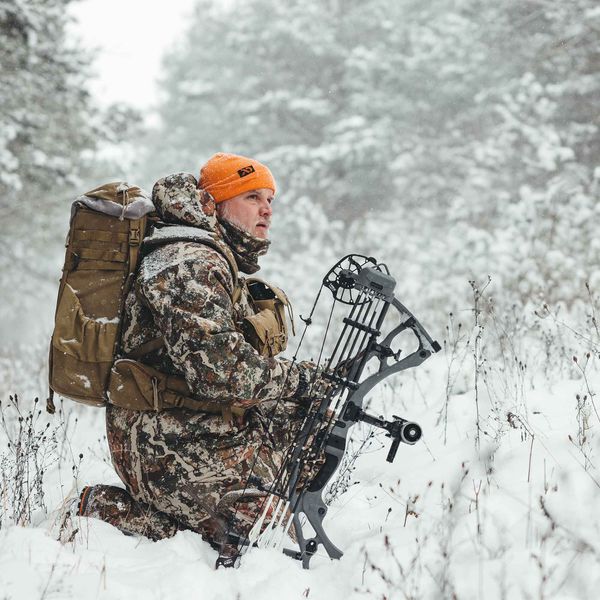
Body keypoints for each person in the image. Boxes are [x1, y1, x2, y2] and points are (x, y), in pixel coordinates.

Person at [74, 153, 315, 561]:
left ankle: (215, 508)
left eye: (270, 199)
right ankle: (110, 511)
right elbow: (223, 373)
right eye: (252, 197)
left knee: (312, 429)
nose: (267, 210)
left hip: (189, 420)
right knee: (264, 534)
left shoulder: (210, 254)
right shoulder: (188, 261)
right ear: (214, 203)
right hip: (162, 439)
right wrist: (303, 379)